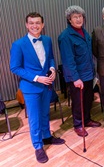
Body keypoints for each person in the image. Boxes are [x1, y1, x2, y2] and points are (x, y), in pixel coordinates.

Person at [10, 12, 65, 163]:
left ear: (43, 25)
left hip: (46, 85)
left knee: (45, 113)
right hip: (31, 87)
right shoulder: (18, 44)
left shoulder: (47, 40)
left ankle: (46, 136)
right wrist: (36, 78)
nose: (35, 26)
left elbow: (51, 58)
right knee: (34, 118)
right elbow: (15, 67)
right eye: (31, 23)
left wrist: (53, 69)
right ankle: (38, 146)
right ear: (27, 25)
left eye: (38, 23)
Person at [58, 5, 101, 137]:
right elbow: (68, 61)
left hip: (88, 74)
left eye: (80, 16)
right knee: (78, 102)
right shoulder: (66, 36)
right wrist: (75, 78)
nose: (78, 19)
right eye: (75, 17)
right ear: (69, 20)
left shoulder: (84, 32)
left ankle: (86, 119)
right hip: (77, 77)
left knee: (88, 100)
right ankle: (78, 124)